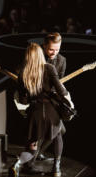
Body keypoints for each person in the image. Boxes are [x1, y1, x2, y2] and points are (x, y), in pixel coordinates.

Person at [8, 43, 74, 177]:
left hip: (34, 112)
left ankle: (16, 165)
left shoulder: (23, 73)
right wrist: (70, 104)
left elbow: (24, 100)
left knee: (32, 147)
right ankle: (56, 168)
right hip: (51, 111)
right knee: (57, 135)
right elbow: (62, 91)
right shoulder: (49, 68)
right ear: (40, 54)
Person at [36, 32, 67, 161]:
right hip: (38, 99)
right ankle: (32, 157)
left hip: (52, 100)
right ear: (44, 46)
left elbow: (60, 81)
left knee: (59, 130)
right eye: (51, 49)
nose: (54, 52)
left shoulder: (62, 60)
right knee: (57, 130)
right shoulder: (36, 57)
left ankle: (35, 155)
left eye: (57, 49)